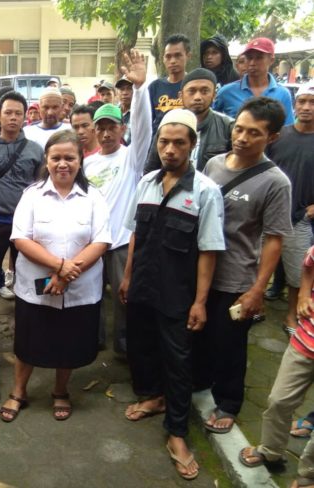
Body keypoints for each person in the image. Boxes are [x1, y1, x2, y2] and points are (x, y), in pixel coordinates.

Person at [120, 109, 225, 480]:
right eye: (164, 142)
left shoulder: (205, 192)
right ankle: (152, 397)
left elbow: (209, 250)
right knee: (141, 347)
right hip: (142, 286)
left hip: (178, 294)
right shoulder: (147, 183)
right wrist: (128, 276)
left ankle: (177, 433)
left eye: (179, 143)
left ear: (192, 145)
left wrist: (200, 302)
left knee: (178, 362)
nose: (170, 149)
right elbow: (136, 234)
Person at [0, 130, 111, 423]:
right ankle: (19, 391)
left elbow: (101, 241)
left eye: (69, 158)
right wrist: (60, 266)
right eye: (56, 158)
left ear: (80, 160)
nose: (63, 164)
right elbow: (20, 238)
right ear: (46, 161)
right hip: (35, 288)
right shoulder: (32, 195)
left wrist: (66, 275)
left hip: (80, 288)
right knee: (28, 342)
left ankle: (60, 391)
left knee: (68, 343)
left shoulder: (93, 196)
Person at [193, 97, 291, 434]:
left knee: (230, 346)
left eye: (254, 133)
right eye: (239, 129)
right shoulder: (214, 164)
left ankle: (229, 402)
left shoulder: (276, 182)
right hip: (202, 271)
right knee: (200, 335)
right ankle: (199, 381)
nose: (242, 138)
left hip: (237, 277)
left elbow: (274, 239)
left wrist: (257, 290)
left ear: (272, 137)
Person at [81, 49, 152, 355]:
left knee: (125, 298)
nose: (106, 133)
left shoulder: (131, 159)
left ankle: (124, 347)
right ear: (94, 131)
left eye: (112, 127)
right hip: (94, 242)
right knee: (91, 295)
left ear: (122, 129)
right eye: (101, 128)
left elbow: (144, 127)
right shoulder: (87, 164)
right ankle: (92, 340)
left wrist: (140, 88)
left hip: (122, 242)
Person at [238, 244, 314, 488]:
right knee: (279, 400)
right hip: (305, 341)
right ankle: (271, 451)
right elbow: (309, 263)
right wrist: (303, 295)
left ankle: (308, 477)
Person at [0, 91, 44, 301]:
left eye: (18, 113)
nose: (13, 117)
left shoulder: (35, 150)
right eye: (8, 113)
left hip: (25, 223)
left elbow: (40, 187)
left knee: (28, 269)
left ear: (25, 116)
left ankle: (27, 309)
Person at [266, 83, 314, 336]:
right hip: (269, 213)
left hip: (300, 217)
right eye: (302, 101)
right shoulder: (279, 136)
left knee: (298, 271)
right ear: (294, 105)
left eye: (312, 103)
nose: (306, 107)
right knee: (258, 263)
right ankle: (255, 306)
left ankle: (292, 314)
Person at [145, 68, 233, 173]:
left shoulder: (228, 126)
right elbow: (151, 168)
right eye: (191, 91)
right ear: (180, 96)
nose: (197, 97)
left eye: (204, 91)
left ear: (214, 95)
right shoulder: (168, 122)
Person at [213, 38, 294, 124]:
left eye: (259, 58)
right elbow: (213, 123)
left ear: (271, 60)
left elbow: (287, 128)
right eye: (249, 58)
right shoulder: (226, 92)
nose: (252, 63)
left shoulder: (283, 94)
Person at [148, 34, 191, 134]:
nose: (172, 61)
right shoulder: (155, 87)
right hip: (159, 140)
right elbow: (147, 121)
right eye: (168, 56)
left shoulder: (193, 85)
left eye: (178, 55)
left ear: (188, 56)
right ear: (163, 59)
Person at [116, 77, 134, 145]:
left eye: (129, 89)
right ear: (117, 92)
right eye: (122, 89)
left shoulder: (139, 114)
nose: (125, 93)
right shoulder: (112, 112)